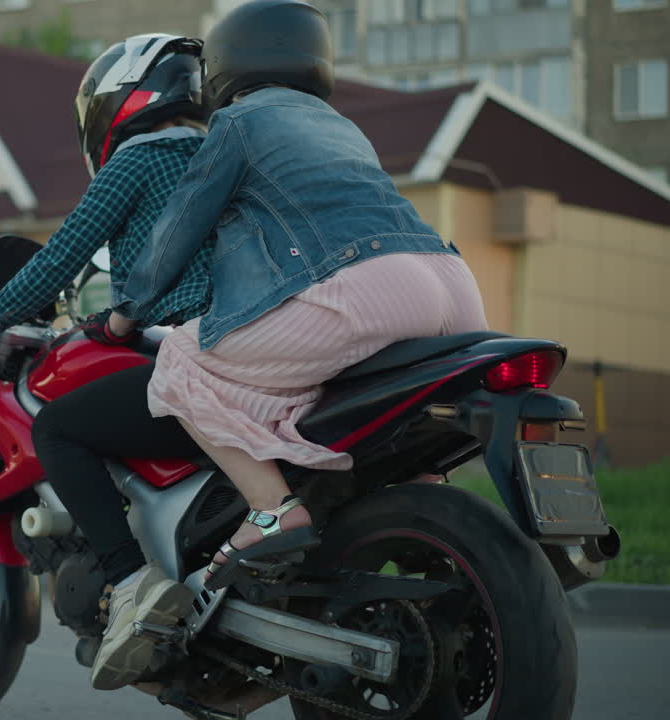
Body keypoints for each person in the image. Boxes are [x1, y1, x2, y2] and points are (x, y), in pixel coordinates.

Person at [108, 0, 489, 593]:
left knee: (182, 360)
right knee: (367, 399)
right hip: (451, 283)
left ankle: (271, 512)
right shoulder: (341, 126)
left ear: (227, 63)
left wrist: (126, 314)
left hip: (366, 288)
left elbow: (178, 227)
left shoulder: (240, 122)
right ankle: (424, 503)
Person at [0, 35, 216, 691]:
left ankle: (129, 581)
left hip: (192, 349)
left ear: (115, 105)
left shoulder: (140, 160)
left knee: (58, 427)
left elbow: (58, 259)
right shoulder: (220, 152)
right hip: (270, 339)